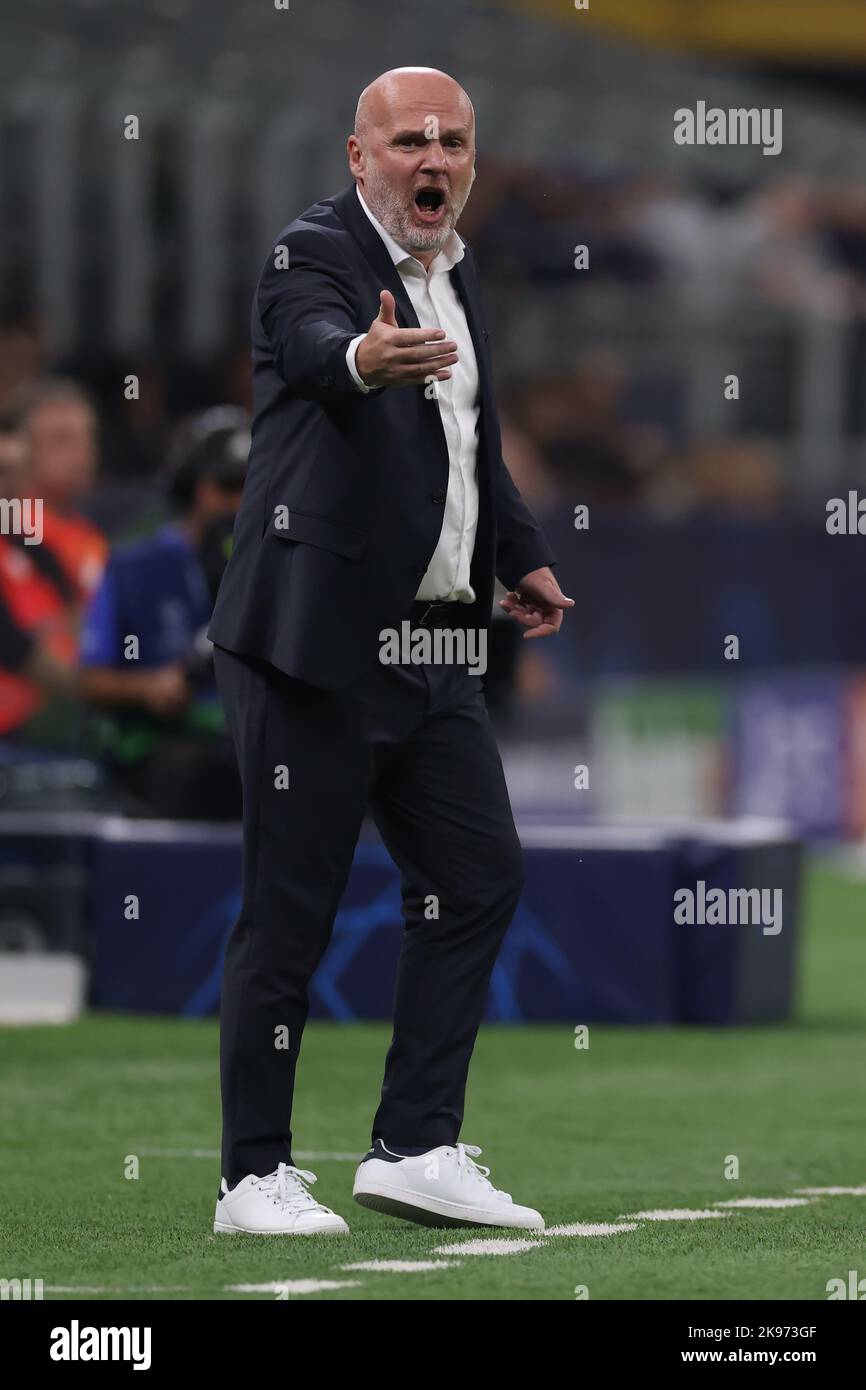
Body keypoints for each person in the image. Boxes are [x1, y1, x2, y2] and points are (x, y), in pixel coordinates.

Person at [208, 67, 574, 1237]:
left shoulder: (455, 274)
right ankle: (250, 1178)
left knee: (476, 877)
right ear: (357, 156)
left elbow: (474, 443)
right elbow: (319, 349)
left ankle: (414, 1144)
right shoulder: (308, 255)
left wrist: (517, 553)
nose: (433, 159)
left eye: (453, 141)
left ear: (473, 158)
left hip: (429, 636)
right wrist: (366, 359)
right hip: (312, 639)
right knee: (290, 909)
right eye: (408, 140)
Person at [79, 407, 247, 819]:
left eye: (254, 487)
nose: (241, 503)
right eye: (228, 485)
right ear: (191, 486)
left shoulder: (280, 570)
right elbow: (90, 679)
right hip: (163, 751)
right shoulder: (131, 567)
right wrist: (148, 687)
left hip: (250, 747)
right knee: (200, 775)